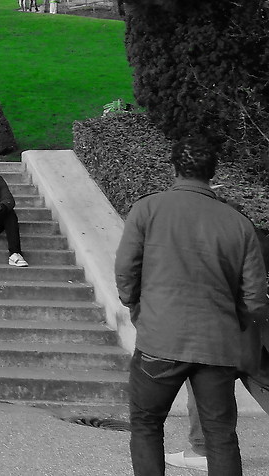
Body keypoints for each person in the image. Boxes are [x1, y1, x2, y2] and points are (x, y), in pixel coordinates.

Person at [115, 139, 269, 476]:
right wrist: (232, 322)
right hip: (217, 345)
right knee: (220, 436)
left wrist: (137, 308)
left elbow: (126, 271)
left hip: (160, 339)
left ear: (173, 168)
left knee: (146, 424)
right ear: (213, 173)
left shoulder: (147, 210)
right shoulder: (239, 224)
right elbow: (256, 299)